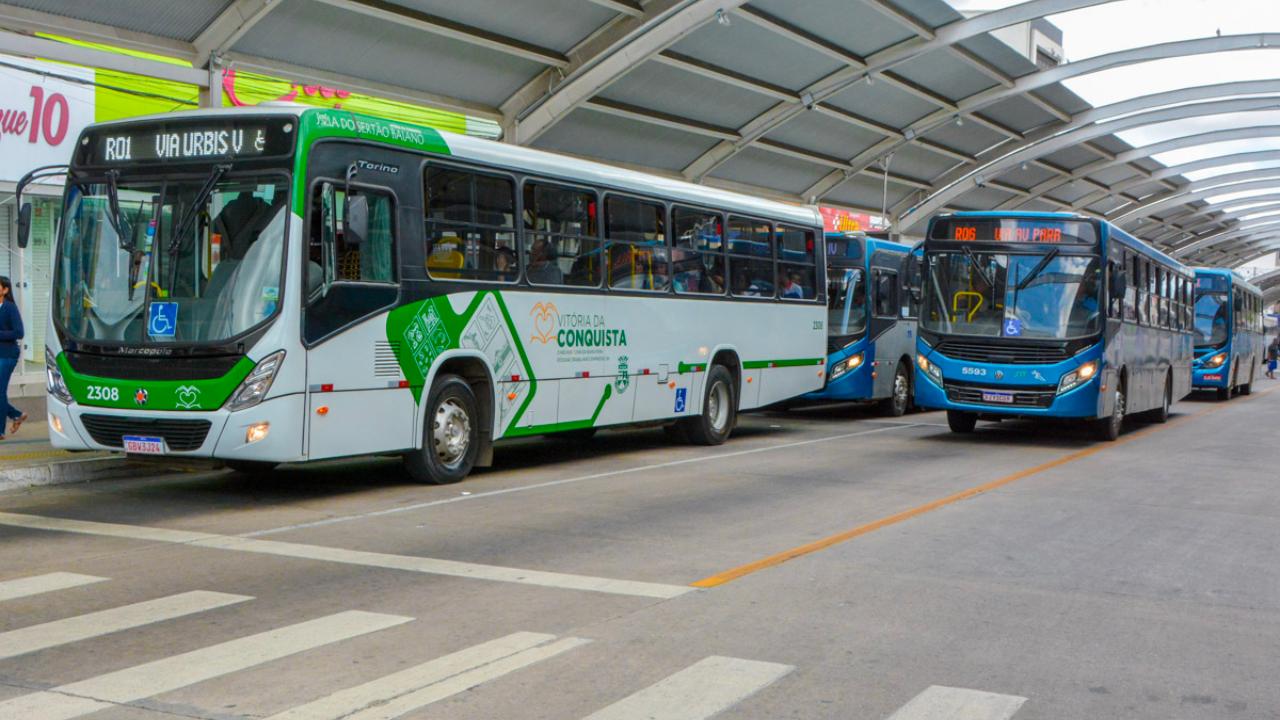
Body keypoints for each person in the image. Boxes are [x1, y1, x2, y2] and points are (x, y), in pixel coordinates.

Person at [0, 276, 28, 440]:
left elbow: (19, 332)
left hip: (8, 354)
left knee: (0, 391)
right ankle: (16, 415)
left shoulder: (10, 308)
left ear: (5, 290)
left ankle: (0, 431)